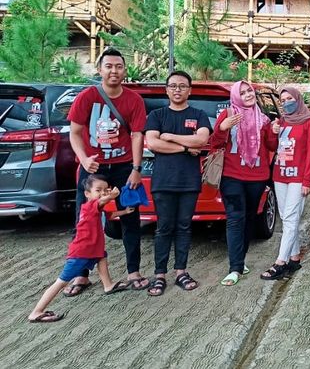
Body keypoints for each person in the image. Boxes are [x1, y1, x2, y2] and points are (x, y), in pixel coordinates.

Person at [66, 47, 149, 294]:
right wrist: (84, 159)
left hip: (124, 167)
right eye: (109, 66)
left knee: (130, 218)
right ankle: (81, 275)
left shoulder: (134, 100)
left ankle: (133, 271)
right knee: (85, 221)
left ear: (125, 70)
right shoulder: (86, 97)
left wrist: (136, 169)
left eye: (119, 66)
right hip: (93, 170)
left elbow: (137, 135)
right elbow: (75, 133)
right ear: (99, 69)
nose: (114, 71)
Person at [28, 175, 132, 323]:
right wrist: (111, 196)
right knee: (61, 282)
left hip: (92, 249)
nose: (103, 193)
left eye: (105, 189)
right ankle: (36, 312)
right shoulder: (89, 207)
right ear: (87, 194)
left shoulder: (97, 208)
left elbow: (109, 214)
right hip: (81, 252)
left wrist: (125, 211)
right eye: (98, 190)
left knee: (102, 257)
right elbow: (102, 202)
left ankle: (108, 285)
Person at [143, 71, 211, 296]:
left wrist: (170, 137)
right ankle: (159, 274)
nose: (177, 90)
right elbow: (153, 143)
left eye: (182, 86)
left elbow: (201, 140)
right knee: (163, 228)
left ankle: (181, 271)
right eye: (173, 86)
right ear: (166, 90)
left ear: (189, 90)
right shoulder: (156, 115)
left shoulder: (199, 115)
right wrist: (185, 148)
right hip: (163, 181)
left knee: (184, 226)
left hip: (189, 181)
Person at [211, 80, 278, 286]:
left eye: (249, 91)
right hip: (231, 175)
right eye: (243, 92)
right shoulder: (228, 114)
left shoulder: (263, 119)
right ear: (235, 96)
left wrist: (274, 131)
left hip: (257, 175)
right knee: (235, 218)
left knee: (250, 217)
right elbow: (215, 143)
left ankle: (240, 259)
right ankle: (235, 268)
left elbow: (271, 146)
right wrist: (222, 128)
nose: (248, 95)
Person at [262, 86, 310, 280]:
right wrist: (273, 131)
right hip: (280, 174)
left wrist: (307, 180)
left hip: (298, 176)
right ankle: (294, 257)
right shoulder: (282, 120)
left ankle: (280, 262)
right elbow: (272, 146)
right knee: (286, 217)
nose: (286, 103)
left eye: (290, 99)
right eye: (283, 100)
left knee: (291, 217)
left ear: (298, 99)